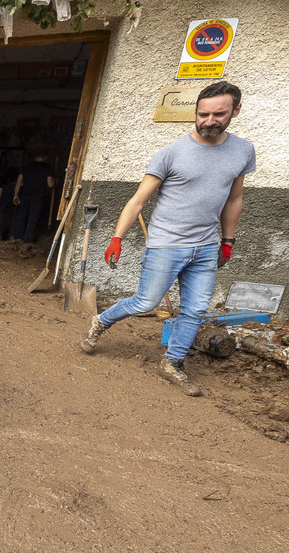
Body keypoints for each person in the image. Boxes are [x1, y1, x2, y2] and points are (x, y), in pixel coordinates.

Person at [79, 81, 253, 397]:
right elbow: (137, 201)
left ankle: (172, 363)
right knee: (147, 301)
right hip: (166, 243)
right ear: (196, 112)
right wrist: (117, 237)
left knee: (195, 309)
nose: (209, 121)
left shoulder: (243, 151)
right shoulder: (171, 153)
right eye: (203, 114)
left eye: (218, 114)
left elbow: (234, 198)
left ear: (235, 111)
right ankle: (101, 321)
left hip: (205, 246)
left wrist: (227, 240)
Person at [11, 151, 54, 243]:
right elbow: (50, 184)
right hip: (38, 197)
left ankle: (17, 238)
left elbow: (18, 183)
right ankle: (27, 241)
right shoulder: (48, 168)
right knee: (32, 219)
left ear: (35, 158)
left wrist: (15, 195)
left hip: (25, 195)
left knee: (21, 216)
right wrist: (56, 182)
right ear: (45, 158)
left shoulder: (26, 167)